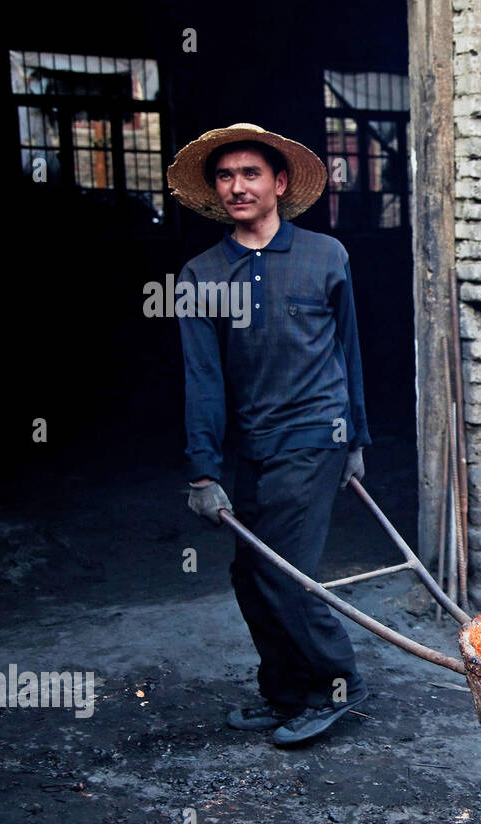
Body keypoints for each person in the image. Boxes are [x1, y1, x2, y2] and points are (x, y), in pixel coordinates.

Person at [168, 123, 371, 746]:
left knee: (283, 571)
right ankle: (285, 693)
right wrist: (203, 471)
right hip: (251, 445)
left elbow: (349, 351)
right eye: (225, 176)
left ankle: (338, 683)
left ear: (279, 183)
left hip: (315, 434)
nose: (238, 186)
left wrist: (356, 437)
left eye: (251, 173)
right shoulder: (201, 275)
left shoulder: (326, 256)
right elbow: (202, 380)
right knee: (248, 574)